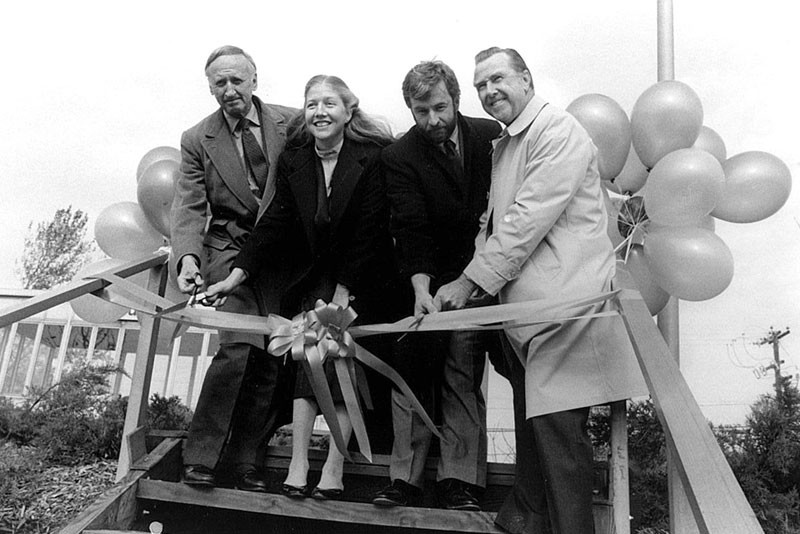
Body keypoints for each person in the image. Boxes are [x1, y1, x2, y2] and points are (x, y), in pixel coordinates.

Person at [434, 47, 648, 533]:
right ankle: (526, 521)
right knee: (537, 441)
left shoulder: (558, 130)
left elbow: (526, 220)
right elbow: (493, 225)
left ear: (526, 79)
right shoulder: (507, 144)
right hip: (527, 319)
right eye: (481, 85)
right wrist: (470, 279)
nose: (489, 92)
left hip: (564, 310)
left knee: (560, 446)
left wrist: (470, 283)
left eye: (498, 79)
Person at [204, 75, 397, 500]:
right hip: (314, 279)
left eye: (329, 103)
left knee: (342, 360)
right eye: (311, 104)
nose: (319, 112)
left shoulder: (374, 157)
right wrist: (238, 273)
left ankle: (333, 465)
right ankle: (297, 463)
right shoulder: (295, 159)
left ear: (349, 111)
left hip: (363, 277)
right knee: (309, 361)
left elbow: (370, 231)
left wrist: (345, 294)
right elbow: (273, 223)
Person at [371, 60, 502, 511]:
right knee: (411, 366)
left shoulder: (492, 137)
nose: (433, 121)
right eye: (421, 111)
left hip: (484, 275)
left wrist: (477, 279)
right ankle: (403, 480)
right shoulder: (399, 156)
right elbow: (411, 227)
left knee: (462, 366)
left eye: (440, 108)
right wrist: (422, 291)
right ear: (410, 108)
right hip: (422, 278)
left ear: (457, 100)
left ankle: (459, 481)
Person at [170, 45, 297, 492]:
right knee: (239, 347)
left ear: (254, 80)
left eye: (236, 81)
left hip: (283, 258)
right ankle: (201, 457)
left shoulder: (295, 122)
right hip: (228, 253)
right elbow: (187, 207)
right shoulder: (195, 139)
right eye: (219, 83)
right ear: (210, 88)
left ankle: (247, 463)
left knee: (272, 358)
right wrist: (187, 258)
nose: (229, 90)